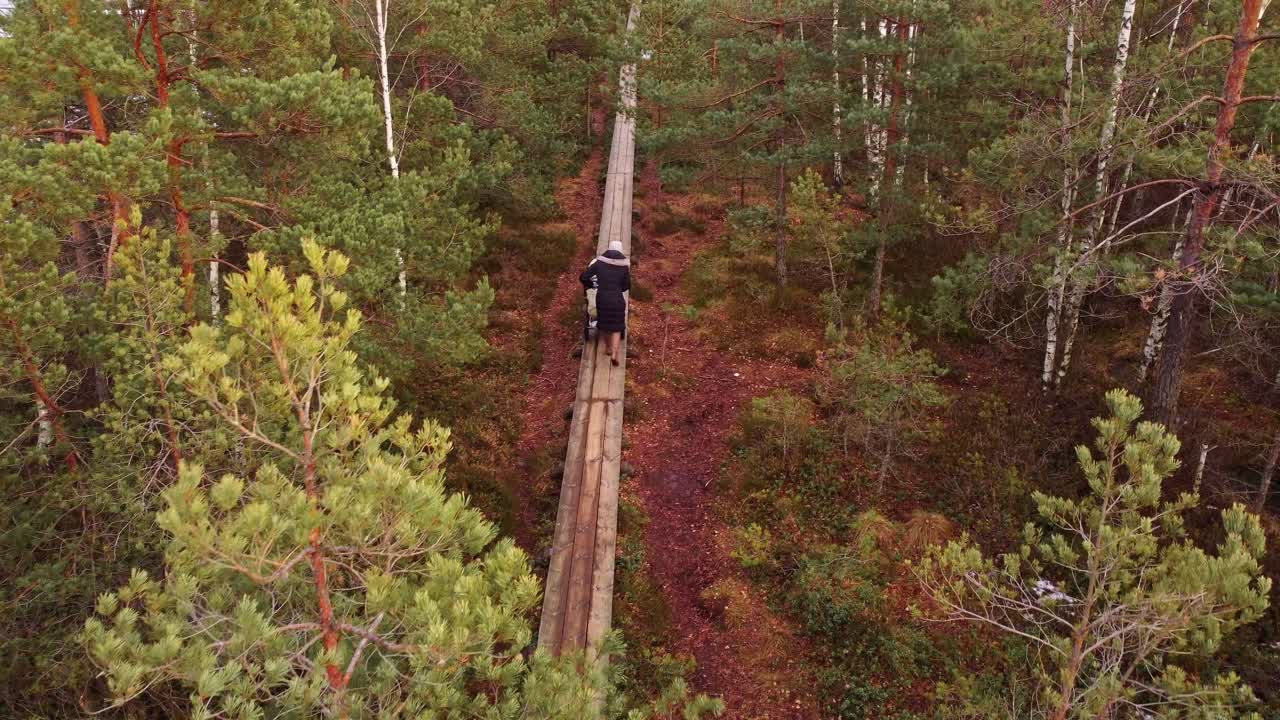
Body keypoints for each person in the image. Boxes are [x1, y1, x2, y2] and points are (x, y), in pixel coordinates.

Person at [580, 239, 630, 366]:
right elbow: (626, 286)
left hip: (602, 298)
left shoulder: (598, 263)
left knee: (605, 325)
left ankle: (608, 348)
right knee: (617, 327)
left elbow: (584, 277)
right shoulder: (624, 266)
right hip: (617, 298)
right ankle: (614, 353)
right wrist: (618, 287)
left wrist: (590, 284)